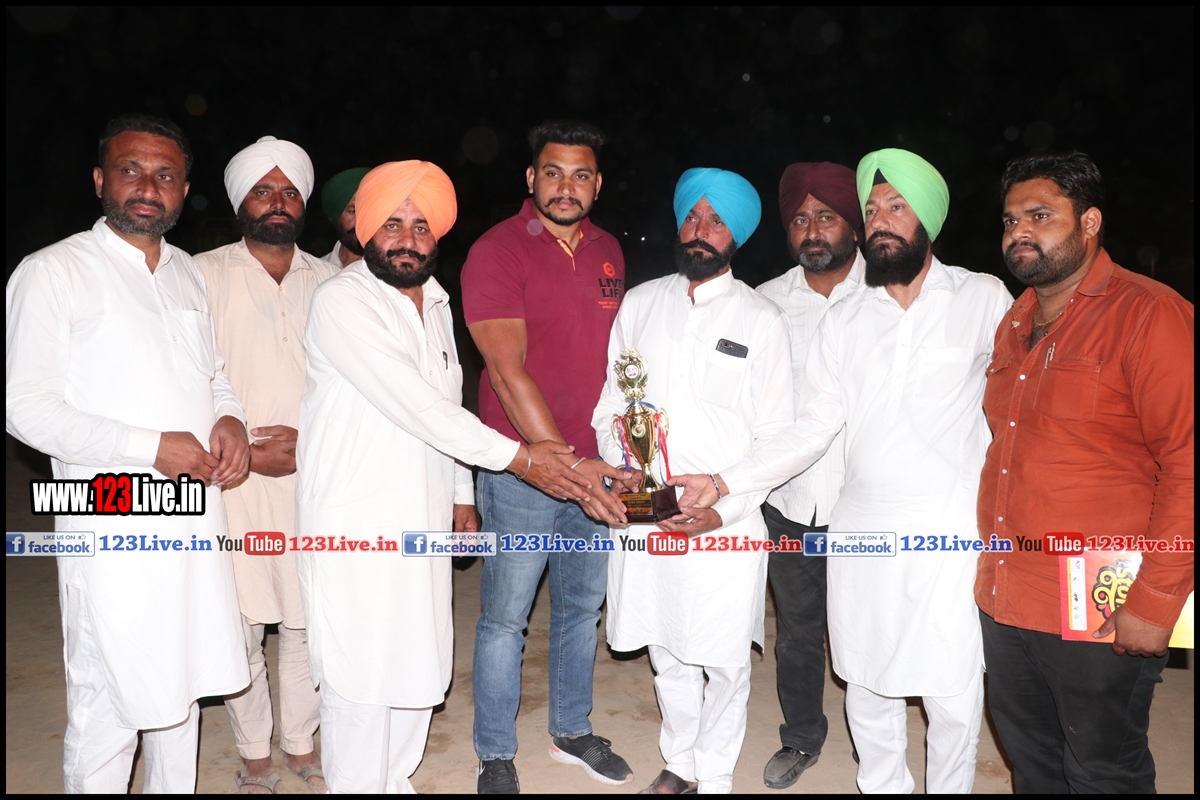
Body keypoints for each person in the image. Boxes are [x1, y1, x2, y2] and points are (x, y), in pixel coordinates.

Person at [672, 149, 1013, 794]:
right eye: (874, 208)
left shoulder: (982, 297)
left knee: (952, 686)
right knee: (865, 680)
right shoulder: (847, 319)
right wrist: (722, 482)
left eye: (897, 208)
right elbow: (811, 428)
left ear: (928, 219)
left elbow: (1019, 407)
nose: (881, 220)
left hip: (950, 533)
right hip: (860, 529)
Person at [296, 160, 603, 794]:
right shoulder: (342, 301)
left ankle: (394, 780)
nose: (407, 239)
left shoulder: (435, 302)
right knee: (359, 671)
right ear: (365, 229)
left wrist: (462, 494)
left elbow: (448, 400)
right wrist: (523, 459)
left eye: (421, 226)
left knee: (417, 659)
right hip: (356, 518)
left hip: (425, 509)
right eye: (392, 224)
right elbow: (418, 406)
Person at [5, 113, 250, 793]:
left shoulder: (185, 273)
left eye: (165, 175)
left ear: (185, 190)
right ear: (99, 180)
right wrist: (151, 447)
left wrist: (229, 417)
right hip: (108, 510)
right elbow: (25, 409)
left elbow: (213, 373)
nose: (148, 186)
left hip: (193, 510)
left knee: (180, 681)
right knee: (109, 692)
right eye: (131, 170)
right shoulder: (52, 272)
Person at [977, 151, 1194, 793]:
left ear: (1090, 222)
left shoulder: (1149, 313)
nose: (1019, 231)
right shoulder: (1015, 322)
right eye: (1010, 219)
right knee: (1033, 765)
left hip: (1104, 599)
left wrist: (1155, 602)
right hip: (1010, 594)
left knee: (1102, 770)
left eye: (1040, 216)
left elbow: (1187, 463)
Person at [593, 168, 794, 794]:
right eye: (692, 217)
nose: (700, 230)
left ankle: (716, 773)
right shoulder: (640, 303)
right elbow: (611, 406)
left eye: (716, 221)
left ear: (738, 235)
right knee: (666, 647)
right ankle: (680, 760)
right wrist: (621, 466)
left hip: (725, 518)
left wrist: (724, 507)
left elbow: (776, 437)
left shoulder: (761, 318)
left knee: (725, 656)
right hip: (647, 510)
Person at [461, 120, 631, 794]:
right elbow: (507, 373)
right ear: (531, 178)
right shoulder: (497, 250)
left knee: (581, 608)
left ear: (598, 184)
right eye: (553, 173)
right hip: (523, 473)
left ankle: (571, 730)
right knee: (506, 618)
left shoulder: (610, 251)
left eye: (581, 175)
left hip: (598, 466)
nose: (567, 186)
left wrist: (608, 460)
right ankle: (495, 752)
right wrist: (565, 467)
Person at [195, 136, 338, 794]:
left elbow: (349, 387)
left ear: (303, 204)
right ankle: (255, 752)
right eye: (263, 191)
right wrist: (248, 455)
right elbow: (191, 377)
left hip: (314, 480)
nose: (277, 202)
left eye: (289, 192)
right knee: (242, 622)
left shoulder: (331, 283)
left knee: (307, 620)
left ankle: (301, 743)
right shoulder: (199, 276)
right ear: (239, 202)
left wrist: (311, 445)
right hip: (231, 483)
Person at [754, 162, 864, 790]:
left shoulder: (890, 294)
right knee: (797, 631)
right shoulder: (765, 302)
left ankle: (875, 740)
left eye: (827, 216)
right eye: (800, 219)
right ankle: (801, 736)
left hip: (868, 500)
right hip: (790, 503)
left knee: (868, 624)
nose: (813, 230)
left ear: (854, 224)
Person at [320, 167, 370, 268]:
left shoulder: (393, 270)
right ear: (336, 218)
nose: (361, 220)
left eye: (368, 210)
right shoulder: (316, 271)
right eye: (353, 211)